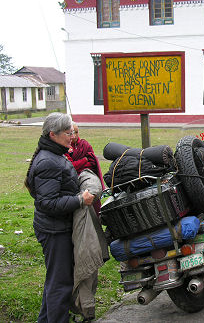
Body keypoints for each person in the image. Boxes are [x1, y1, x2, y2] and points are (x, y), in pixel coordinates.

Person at [24, 113, 95, 323]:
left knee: (55, 281)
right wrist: (80, 199)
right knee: (61, 284)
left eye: (72, 131)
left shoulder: (54, 154)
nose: (72, 136)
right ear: (53, 134)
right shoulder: (49, 161)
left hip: (56, 228)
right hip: (54, 231)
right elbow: (47, 203)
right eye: (68, 132)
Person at [67, 122, 105, 215]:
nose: (74, 136)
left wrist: (80, 166)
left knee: (94, 205)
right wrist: (84, 160)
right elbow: (71, 166)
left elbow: (92, 163)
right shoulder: (65, 147)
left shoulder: (84, 144)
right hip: (73, 180)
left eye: (76, 132)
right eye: (72, 133)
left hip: (88, 179)